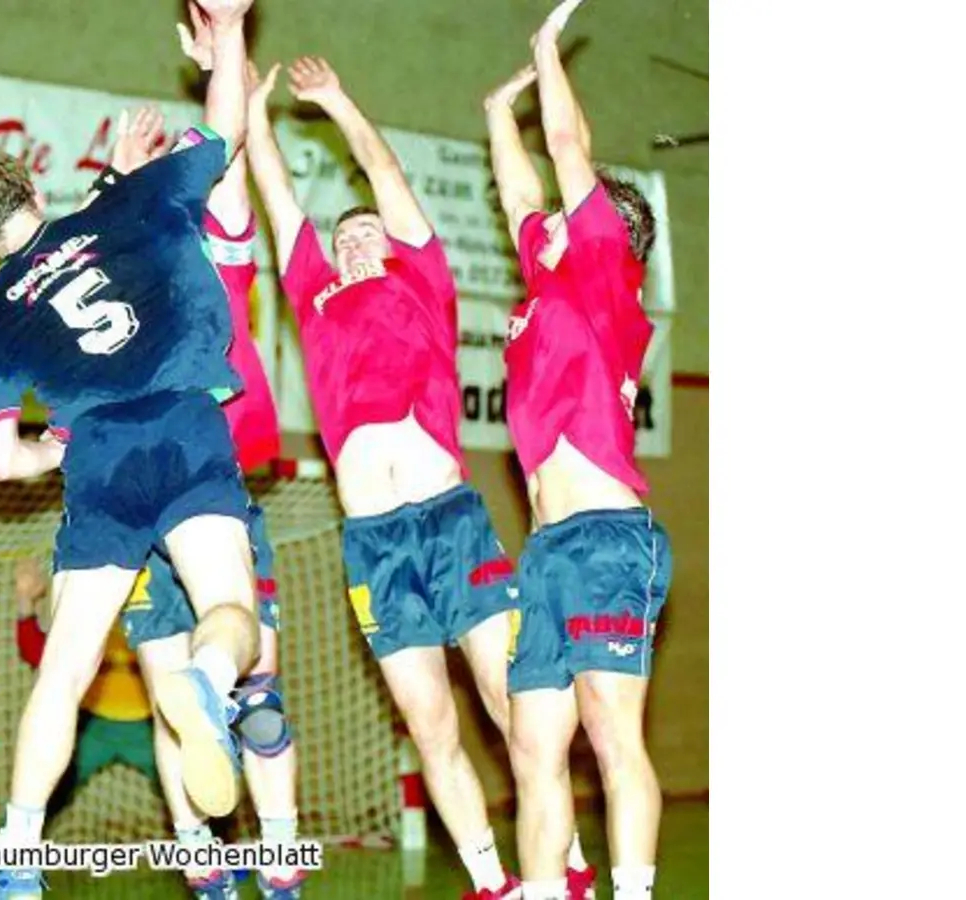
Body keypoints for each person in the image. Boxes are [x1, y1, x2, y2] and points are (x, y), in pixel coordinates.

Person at [0, 2, 261, 895]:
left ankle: (17, 856)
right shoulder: (123, 206)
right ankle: (207, 676)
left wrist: (57, 446)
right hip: (185, 422)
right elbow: (226, 131)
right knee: (228, 605)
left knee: (67, 667)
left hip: (100, 456)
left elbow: (1, 466)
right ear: (38, 192)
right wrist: (231, 28)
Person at [245, 53, 587, 900]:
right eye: (343, 237)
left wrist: (336, 101)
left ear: (395, 245)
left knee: (510, 703)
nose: (353, 240)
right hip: (375, 544)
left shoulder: (422, 283)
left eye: (368, 232)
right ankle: (491, 882)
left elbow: (384, 172)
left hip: (451, 522)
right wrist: (248, 106)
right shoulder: (316, 298)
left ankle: (569, 866)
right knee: (431, 726)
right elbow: (277, 197)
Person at [111, 16, 305, 900]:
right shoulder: (153, 268)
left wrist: (225, 56)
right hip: (201, 482)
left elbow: (226, 139)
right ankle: (275, 860)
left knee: (180, 688)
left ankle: (206, 860)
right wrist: (224, 37)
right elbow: (223, 139)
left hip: (145, 492)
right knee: (244, 684)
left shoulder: (195, 250)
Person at [485, 2, 674, 899]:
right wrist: (496, 112)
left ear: (609, 228)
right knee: (532, 749)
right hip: (549, 551)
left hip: (606, 540)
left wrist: (546, 51)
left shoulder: (605, 271)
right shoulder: (551, 278)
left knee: (610, 731)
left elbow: (564, 145)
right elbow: (521, 197)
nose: (551, 216)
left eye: (574, 207)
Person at [8, 557, 159, 822]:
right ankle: (8, 844)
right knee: (42, 785)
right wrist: (25, 602)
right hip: (93, 727)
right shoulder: (90, 613)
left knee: (193, 788)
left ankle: (216, 846)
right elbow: (38, 654)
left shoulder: (158, 611)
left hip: (149, 727)